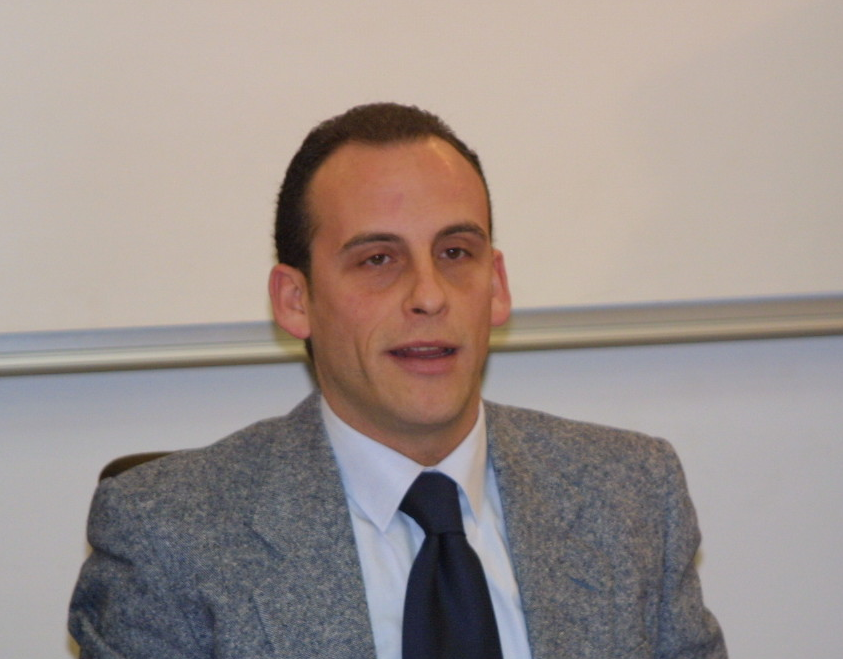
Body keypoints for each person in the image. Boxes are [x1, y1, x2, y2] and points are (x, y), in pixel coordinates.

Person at [69, 103, 726, 658]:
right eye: (378, 259)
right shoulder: (167, 535)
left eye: (455, 253)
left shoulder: (634, 494)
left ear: (496, 286)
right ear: (295, 300)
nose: (429, 295)